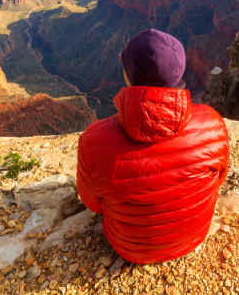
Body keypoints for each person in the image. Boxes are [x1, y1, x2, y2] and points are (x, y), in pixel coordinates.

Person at [77, 29, 230, 264]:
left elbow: (93, 203)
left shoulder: (94, 141)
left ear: (128, 76)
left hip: (130, 249)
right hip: (194, 237)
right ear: (179, 73)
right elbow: (217, 180)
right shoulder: (213, 125)